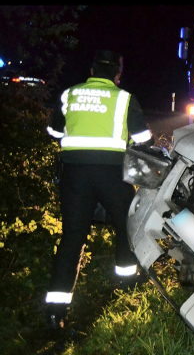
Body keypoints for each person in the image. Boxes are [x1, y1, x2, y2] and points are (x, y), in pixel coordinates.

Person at [44, 50, 154, 329]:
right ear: (117, 75)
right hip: (113, 175)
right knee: (126, 226)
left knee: (72, 238)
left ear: (91, 71)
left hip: (74, 175)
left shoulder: (69, 95)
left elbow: (54, 133)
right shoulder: (124, 98)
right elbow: (143, 139)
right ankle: (127, 284)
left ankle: (56, 312)